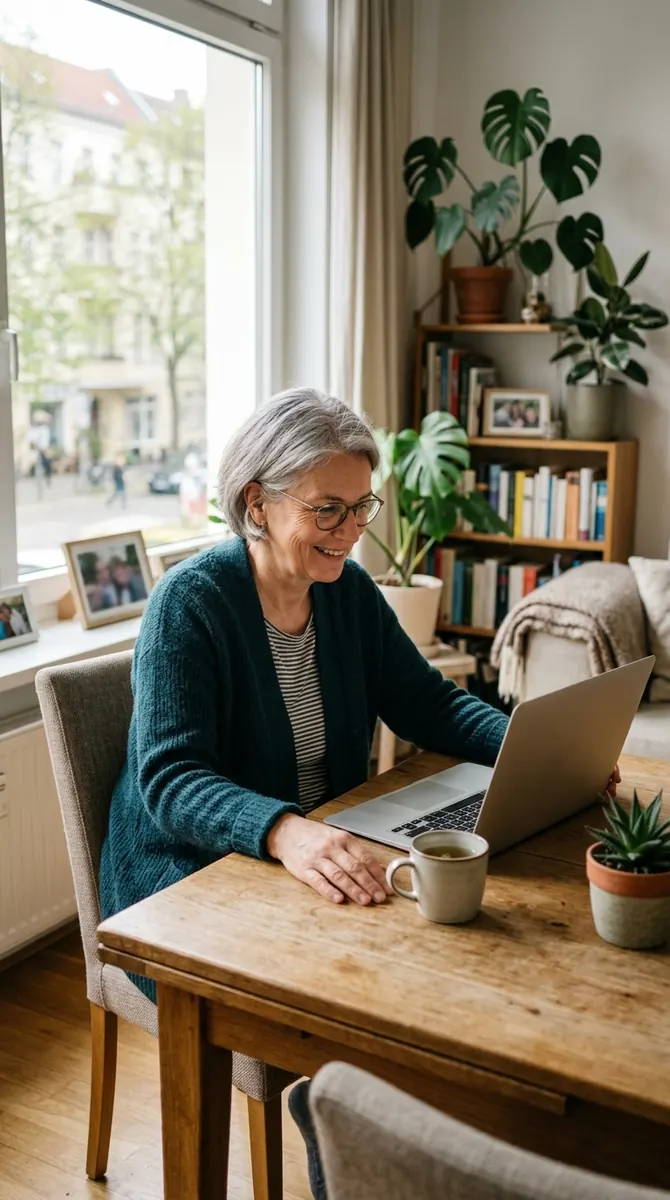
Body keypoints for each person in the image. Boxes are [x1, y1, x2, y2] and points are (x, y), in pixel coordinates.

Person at [98, 388, 618, 1200]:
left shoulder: (344, 590)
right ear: (257, 504)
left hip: (324, 843)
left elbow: (428, 702)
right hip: (187, 878)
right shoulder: (190, 603)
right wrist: (287, 831)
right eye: (328, 509)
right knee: (389, 995)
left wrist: (532, 747)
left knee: (466, 954)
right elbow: (171, 780)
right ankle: (355, 1143)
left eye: (361, 507)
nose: (349, 530)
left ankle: (410, 1154)